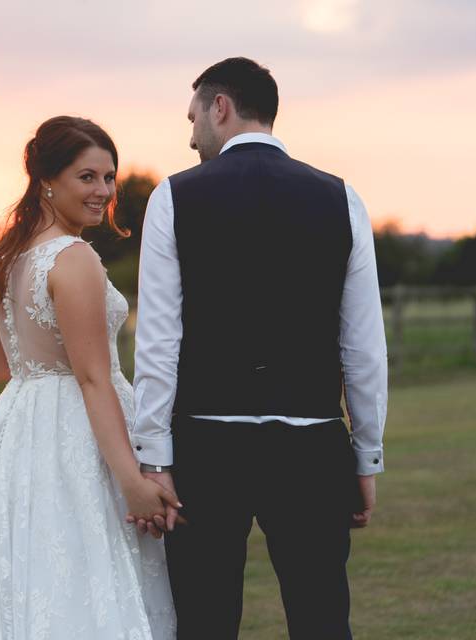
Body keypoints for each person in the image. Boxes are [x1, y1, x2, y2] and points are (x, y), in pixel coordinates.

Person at [129, 57, 387, 639]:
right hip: (313, 447)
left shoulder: (173, 197)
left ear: (220, 107)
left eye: (193, 116)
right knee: (322, 620)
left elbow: (159, 341)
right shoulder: (342, 198)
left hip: (205, 448)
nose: (190, 134)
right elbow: (365, 346)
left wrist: (155, 456)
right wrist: (365, 456)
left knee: (204, 623)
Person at [0, 115, 177, 639]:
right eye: (87, 177)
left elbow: (1, 368)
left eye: (109, 177)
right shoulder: (74, 260)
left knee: (22, 571)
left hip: (16, 431)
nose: (104, 192)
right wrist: (130, 480)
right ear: (48, 180)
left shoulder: (2, 259)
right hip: (83, 435)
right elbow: (93, 379)